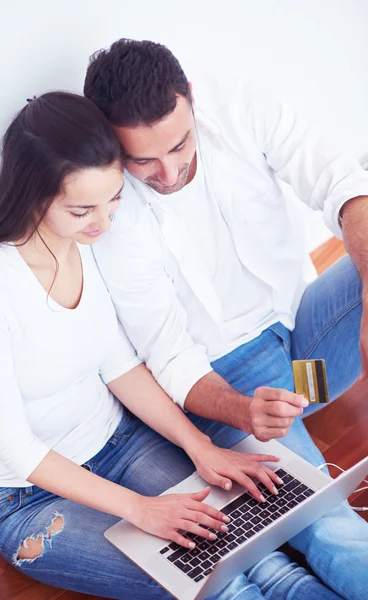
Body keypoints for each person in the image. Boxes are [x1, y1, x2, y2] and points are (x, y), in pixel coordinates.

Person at [0, 92, 339, 600]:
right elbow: (15, 448)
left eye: (114, 198)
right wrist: (140, 509)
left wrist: (198, 445)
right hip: (28, 497)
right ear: (34, 196)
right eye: (82, 209)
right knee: (220, 585)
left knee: (261, 556)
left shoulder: (86, 246)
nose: (103, 222)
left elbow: (120, 366)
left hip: (124, 445)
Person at [84, 39, 368, 599]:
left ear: (190, 100)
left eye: (179, 144)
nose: (166, 172)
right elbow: (168, 355)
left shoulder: (240, 103)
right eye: (142, 160)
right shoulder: (110, 215)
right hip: (232, 384)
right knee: (321, 516)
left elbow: (343, 182)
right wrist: (243, 410)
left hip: (306, 350)